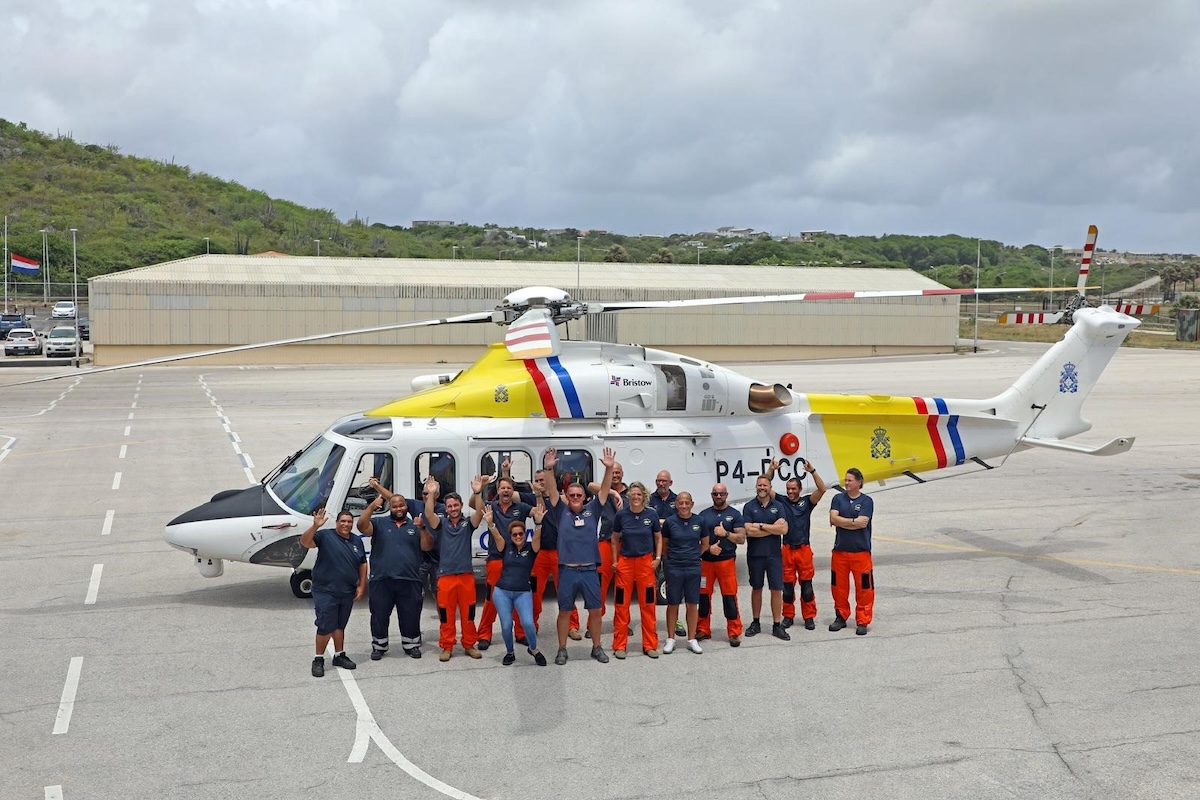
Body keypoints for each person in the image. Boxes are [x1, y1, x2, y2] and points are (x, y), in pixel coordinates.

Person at [544, 446, 617, 665]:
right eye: (571, 495)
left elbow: (604, 490)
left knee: (595, 611)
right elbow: (551, 490)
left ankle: (596, 647)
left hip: (589, 570)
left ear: (585, 498)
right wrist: (548, 470)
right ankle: (562, 649)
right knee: (564, 611)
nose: (575, 497)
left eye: (579, 495)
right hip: (567, 570)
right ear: (566, 497)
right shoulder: (560, 510)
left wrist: (609, 469)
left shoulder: (592, 510)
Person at [357, 482, 430, 660]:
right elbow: (361, 526)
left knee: (411, 614)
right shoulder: (379, 523)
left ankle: (411, 644)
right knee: (379, 614)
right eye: (395, 505)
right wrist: (372, 507)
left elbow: (427, 546)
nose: (398, 508)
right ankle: (379, 646)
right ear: (391, 507)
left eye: (402, 505)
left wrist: (422, 528)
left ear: (406, 506)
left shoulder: (416, 525)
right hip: (382, 579)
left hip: (409, 579)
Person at [421, 475, 485, 661]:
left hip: (466, 576)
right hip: (446, 577)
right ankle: (447, 646)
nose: (453, 509)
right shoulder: (441, 524)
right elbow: (428, 514)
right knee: (446, 615)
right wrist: (431, 494)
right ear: (446, 508)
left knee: (468, 614)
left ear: (461, 505)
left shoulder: (468, 524)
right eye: (449, 506)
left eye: (456, 505)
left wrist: (478, 492)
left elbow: (480, 512)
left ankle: (469, 644)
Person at [299, 509, 367, 677]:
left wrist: (361, 586)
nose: (346, 524)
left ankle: (339, 655)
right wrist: (315, 526)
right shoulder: (325, 536)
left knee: (339, 625)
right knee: (325, 625)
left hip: (347, 590)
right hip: (325, 591)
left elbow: (362, 564)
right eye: (343, 521)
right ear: (337, 522)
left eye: (349, 522)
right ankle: (318, 659)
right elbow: (305, 542)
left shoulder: (357, 541)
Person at [484, 504, 548, 666]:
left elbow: (538, 538)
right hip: (502, 592)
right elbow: (497, 535)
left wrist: (539, 524)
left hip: (522, 592)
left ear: (525, 533)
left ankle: (533, 649)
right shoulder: (505, 547)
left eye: (520, 533)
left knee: (527, 622)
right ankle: (510, 652)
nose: (518, 536)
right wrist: (491, 523)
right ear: (510, 536)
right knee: (506, 625)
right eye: (514, 534)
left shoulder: (531, 548)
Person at [473, 476, 532, 650]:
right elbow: (474, 506)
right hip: (496, 559)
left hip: (517, 560)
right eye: (502, 488)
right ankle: (484, 634)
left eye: (508, 488)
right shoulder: (490, 506)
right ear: (497, 491)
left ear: (513, 491)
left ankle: (521, 633)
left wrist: (538, 494)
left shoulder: (520, 507)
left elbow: (538, 512)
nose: (505, 491)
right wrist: (477, 491)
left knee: (518, 597)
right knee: (491, 598)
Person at [767, 459, 827, 631]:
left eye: (793, 489)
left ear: (800, 489)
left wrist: (813, 471)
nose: (790, 491)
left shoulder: (807, 502)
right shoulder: (781, 501)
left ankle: (809, 617)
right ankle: (788, 616)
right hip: (786, 549)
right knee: (787, 588)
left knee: (807, 587)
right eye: (788, 489)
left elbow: (822, 490)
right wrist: (771, 470)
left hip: (803, 550)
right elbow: (766, 487)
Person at [521, 467, 581, 637]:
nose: (540, 483)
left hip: (559, 552)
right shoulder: (532, 498)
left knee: (565, 589)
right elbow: (539, 510)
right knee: (534, 591)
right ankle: (532, 625)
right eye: (537, 480)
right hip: (539, 554)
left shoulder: (561, 500)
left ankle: (572, 626)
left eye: (543, 479)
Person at [610, 481, 662, 659]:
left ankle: (650, 645)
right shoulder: (621, 515)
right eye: (633, 494)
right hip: (625, 564)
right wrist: (615, 561)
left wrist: (658, 558)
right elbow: (614, 539)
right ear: (628, 496)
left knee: (648, 605)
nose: (636, 497)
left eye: (639, 494)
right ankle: (619, 645)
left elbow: (658, 537)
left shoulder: (651, 515)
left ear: (644, 496)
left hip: (645, 564)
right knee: (621, 605)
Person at [742, 476, 791, 640]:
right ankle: (756, 622)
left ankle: (777, 625)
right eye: (759, 485)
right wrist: (773, 528)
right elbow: (749, 531)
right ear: (756, 487)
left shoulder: (778, 506)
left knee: (776, 589)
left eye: (765, 485)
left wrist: (761, 525)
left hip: (774, 556)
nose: (762, 487)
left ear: (770, 487)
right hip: (755, 555)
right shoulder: (749, 507)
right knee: (756, 588)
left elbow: (784, 530)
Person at [659, 492, 708, 654]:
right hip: (674, 567)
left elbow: (705, 544)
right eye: (681, 503)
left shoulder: (699, 521)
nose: (684, 506)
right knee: (673, 603)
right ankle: (671, 639)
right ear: (676, 505)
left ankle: (691, 639)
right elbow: (664, 546)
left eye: (687, 503)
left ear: (692, 504)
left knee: (692, 604)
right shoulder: (670, 522)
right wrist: (674, 559)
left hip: (693, 567)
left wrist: (693, 556)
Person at [697, 484, 746, 647]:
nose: (718, 496)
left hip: (726, 562)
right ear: (711, 495)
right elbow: (696, 540)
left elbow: (741, 539)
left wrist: (725, 534)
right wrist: (709, 548)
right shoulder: (703, 515)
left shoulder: (734, 515)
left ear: (727, 494)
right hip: (706, 563)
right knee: (703, 597)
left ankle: (734, 632)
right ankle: (703, 629)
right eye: (715, 494)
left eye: (721, 494)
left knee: (729, 598)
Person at [828, 467, 875, 635]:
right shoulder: (837, 499)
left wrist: (843, 522)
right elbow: (833, 518)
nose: (846, 483)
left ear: (859, 482)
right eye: (845, 480)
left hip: (861, 554)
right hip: (840, 552)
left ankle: (862, 620)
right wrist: (853, 522)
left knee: (864, 588)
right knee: (838, 587)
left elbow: (863, 523)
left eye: (850, 480)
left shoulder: (867, 501)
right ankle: (841, 616)